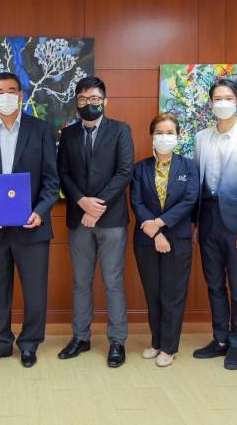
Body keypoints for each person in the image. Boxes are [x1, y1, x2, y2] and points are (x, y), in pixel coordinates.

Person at [0, 72, 60, 368]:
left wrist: (40, 212)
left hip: (32, 226)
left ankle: (30, 343)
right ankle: (0, 342)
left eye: (11, 90)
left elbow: (51, 180)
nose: (5, 96)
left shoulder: (41, 130)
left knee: (35, 290)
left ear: (21, 96)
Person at [56, 76, 134, 368]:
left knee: (113, 282)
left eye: (95, 99)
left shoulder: (121, 130)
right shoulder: (68, 134)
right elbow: (63, 173)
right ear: (76, 102)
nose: (89, 104)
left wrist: (96, 205)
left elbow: (124, 172)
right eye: (83, 99)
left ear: (105, 101)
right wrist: (81, 201)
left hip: (111, 219)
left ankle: (117, 341)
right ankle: (81, 337)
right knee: (81, 281)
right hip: (79, 219)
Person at [192, 78, 237, 370]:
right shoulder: (201, 137)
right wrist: (196, 223)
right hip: (207, 217)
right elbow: (197, 184)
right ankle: (220, 339)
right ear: (211, 104)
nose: (222, 103)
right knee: (213, 284)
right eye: (217, 99)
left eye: (228, 98)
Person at [131, 113, 199, 367]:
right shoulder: (140, 168)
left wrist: (160, 224)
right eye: (159, 133)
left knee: (173, 294)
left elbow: (190, 200)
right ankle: (157, 341)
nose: (164, 137)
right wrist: (155, 233)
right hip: (146, 240)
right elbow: (136, 202)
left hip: (177, 238)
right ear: (152, 136)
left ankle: (169, 347)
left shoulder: (189, 167)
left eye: (170, 133)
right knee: (153, 293)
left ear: (178, 136)